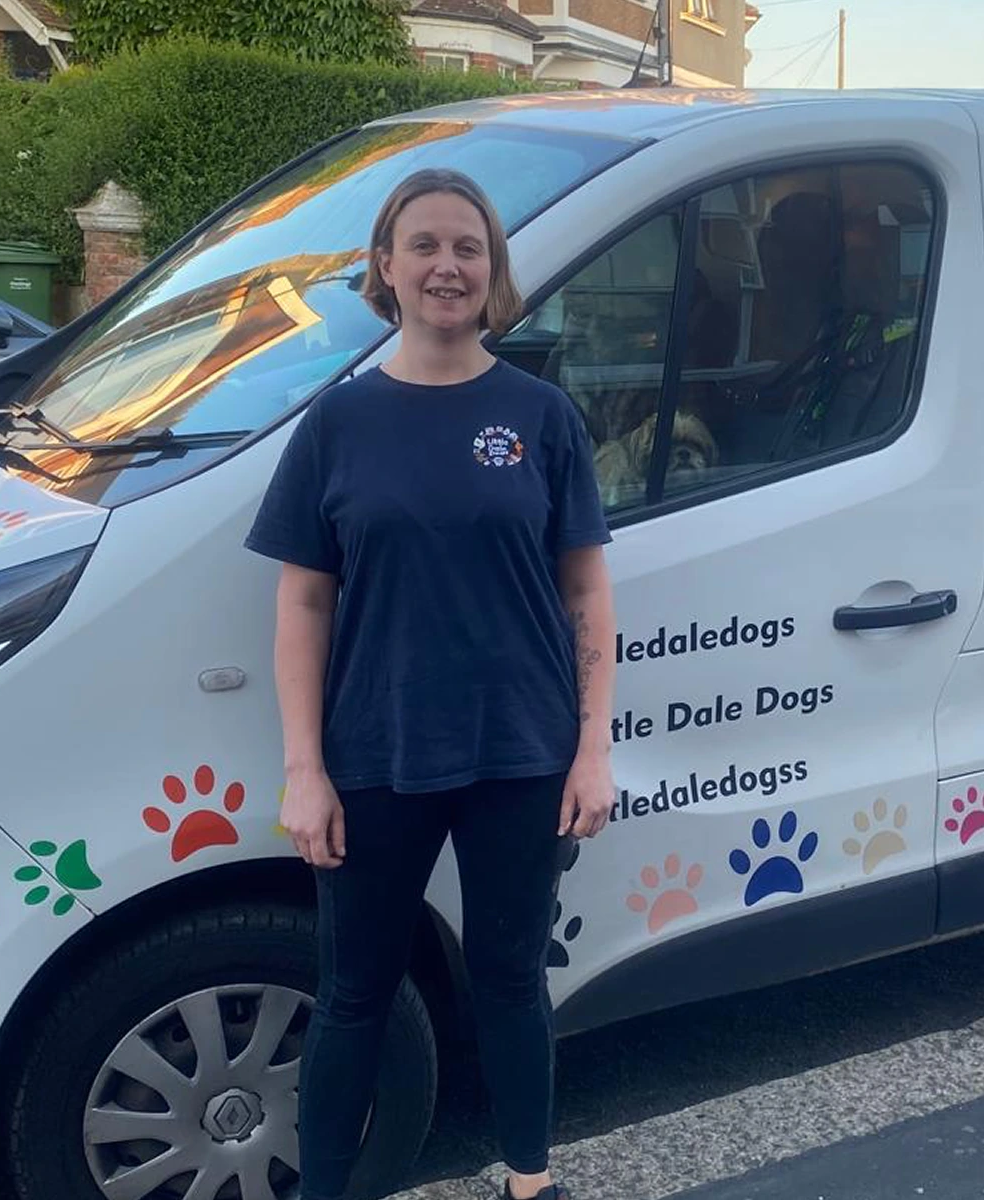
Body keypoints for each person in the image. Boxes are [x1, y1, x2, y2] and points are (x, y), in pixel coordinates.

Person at [244, 166, 616, 1200]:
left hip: (520, 753)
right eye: (425, 246)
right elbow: (301, 604)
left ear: (492, 271)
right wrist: (304, 770)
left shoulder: (540, 417)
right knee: (355, 992)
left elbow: (585, 589)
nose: (447, 265)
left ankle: (531, 1182)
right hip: (375, 755)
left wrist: (590, 749)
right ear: (386, 266)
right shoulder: (338, 424)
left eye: (468, 247)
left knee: (507, 982)